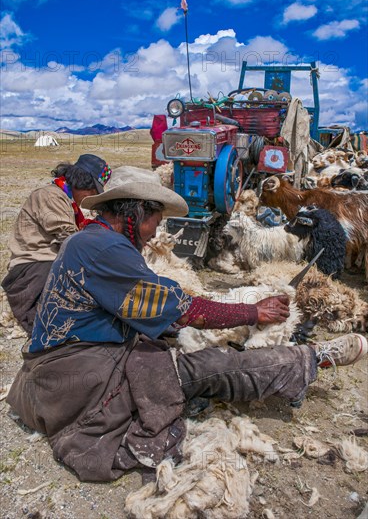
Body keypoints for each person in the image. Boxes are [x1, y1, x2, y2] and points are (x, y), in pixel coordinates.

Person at [6, 166, 367, 483]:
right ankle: (311, 358)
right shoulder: (107, 250)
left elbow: (149, 303)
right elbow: (181, 310)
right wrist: (252, 313)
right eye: (155, 221)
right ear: (135, 212)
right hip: (79, 385)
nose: (154, 232)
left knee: (175, 344)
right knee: (211, 366)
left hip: (54, 371)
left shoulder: (88, 241)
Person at [2, 153, 112, 335]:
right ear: (81, 182)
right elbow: (70, 238)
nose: (91, 197)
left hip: (49, 264)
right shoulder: (49, 196)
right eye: (92, 191)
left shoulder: (65, 201)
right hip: (33, 269)